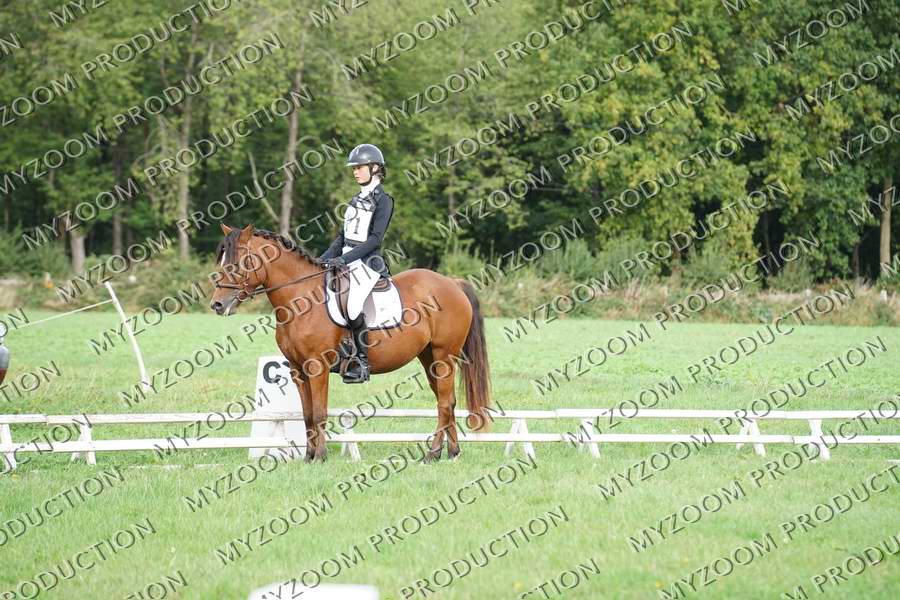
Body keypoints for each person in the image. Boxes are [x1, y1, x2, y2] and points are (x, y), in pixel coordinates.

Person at [319, 144, 394, 383]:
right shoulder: (355, 199)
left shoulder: (384, 201)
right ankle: (338, 352)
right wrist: (320, 260)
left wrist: (344, 259)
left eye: (359, 167)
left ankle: (362, 363)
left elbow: (375, 240)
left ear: (375, 168)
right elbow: (342, 238)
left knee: (352, 306)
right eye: (354, 168)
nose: (355, 172)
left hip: (367, 263)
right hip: (346, 260)